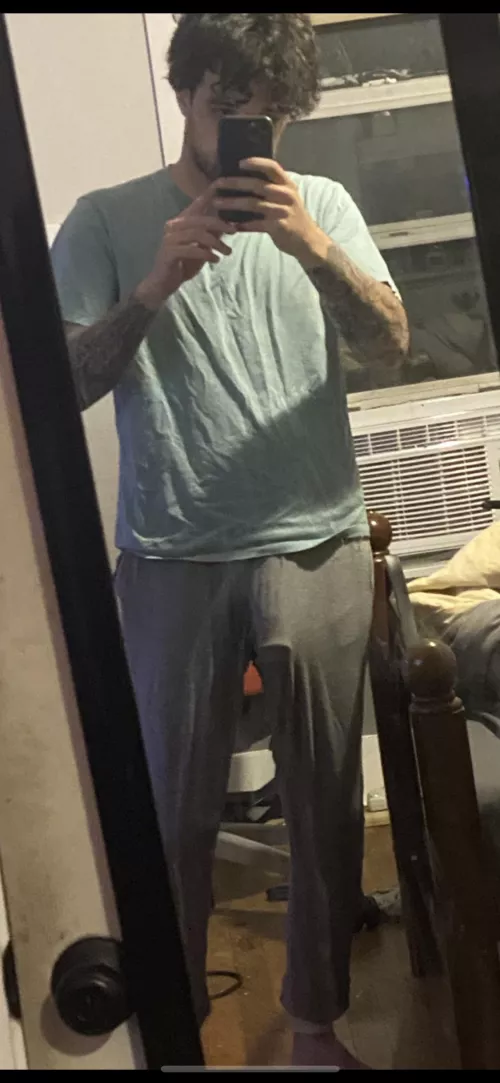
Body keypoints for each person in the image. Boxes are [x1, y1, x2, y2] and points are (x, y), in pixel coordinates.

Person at [51, 13, 408, 1069]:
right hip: (171, 555)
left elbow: (390, 345)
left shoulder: (323, 206)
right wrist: (152, 287)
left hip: (318, 545)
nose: (249, 132)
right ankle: (170, 1037)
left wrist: (311, 248)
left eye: (269, 117)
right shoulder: (104, 219)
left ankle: (314, 1029)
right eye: (226, 109)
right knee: (168, 816)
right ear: (184, 94)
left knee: (325, 805)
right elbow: (60, 387)